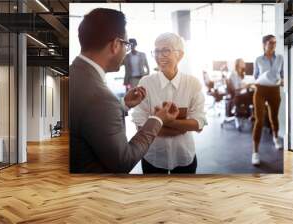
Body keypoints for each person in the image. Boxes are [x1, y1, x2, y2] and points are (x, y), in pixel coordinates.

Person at [69, 8, 180, 173]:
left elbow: (90, 118)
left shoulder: (74, 74)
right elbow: (123, 162)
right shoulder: (101, 98)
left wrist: (124, 104)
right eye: (125, 45)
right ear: (115, 45)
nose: (126, 51)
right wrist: (157, 119)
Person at [132, 33, 207, 174]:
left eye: (166, 50)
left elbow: (199, 123)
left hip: (184, 156)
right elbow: (140, 124)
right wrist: (183, 126)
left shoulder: (192, 83)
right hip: (153, 156)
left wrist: (158, 121)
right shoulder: (145, 83)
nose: (160, 56)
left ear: (180, 55)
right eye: (157, 51)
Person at [251, 34, 284, 166]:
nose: (273, 45)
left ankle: (275, 137)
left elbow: (282, 75)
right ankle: (255, 153)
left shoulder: (280, 58)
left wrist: (282, 80)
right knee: (259, 120)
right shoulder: (258, 59)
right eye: (271, 42)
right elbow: (255, 76)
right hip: (260, 89)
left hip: (274, 90)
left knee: (274, 118)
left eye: (275, 43)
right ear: (264, 44)